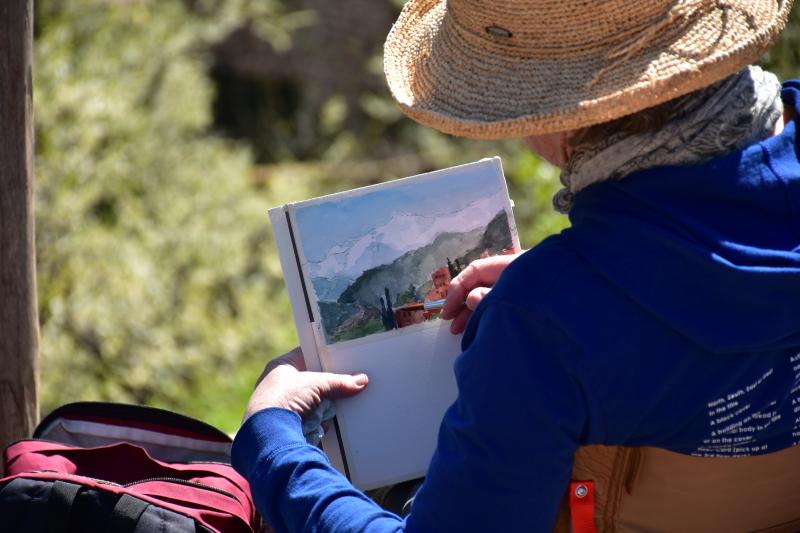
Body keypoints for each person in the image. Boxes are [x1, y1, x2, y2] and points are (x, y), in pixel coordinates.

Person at [231, 0, 800, 531]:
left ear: (562, 117)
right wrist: (579, 289)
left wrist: (272, 441)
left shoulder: (542, 326)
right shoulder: (553, 309)